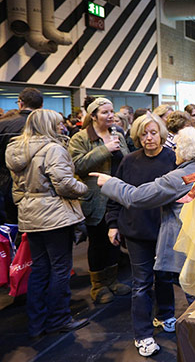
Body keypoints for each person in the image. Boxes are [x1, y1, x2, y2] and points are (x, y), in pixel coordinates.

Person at [92, 127, 195, 355]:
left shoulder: (180, 177)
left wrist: (109, 183)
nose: (174, 151)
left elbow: (137, 197)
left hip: (183, 243)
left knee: (190, 291)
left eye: (177, 147)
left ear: (185, 151)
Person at [5, 109, 89, 337]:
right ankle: (58, 319)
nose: (62, 127)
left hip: (30, 216)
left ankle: (36, 323)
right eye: (58, 124)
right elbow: (64, 184)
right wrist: (85, 188)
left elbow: (16, 189)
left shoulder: (15, 149)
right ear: (49, 126)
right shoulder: (54, 149)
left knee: (39, 269)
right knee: (60, 269)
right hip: (55, 217)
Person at [105, 114, 177, 356]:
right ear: (136, 136)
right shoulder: (128, 161)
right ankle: (143, 334)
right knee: (141, 284)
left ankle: (166, 314)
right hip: (136, 231)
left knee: (165, 277)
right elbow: (116, 193)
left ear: (161, 135)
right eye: (144, 133)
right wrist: (113, 224)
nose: (149, 138)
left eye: (153, 133)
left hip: (165, 230)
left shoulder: (173, 159)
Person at [68, 97, 131, 303]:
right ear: (93, 116)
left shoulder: (118, 134)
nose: (111, 115)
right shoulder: (80, 138)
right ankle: (98, 287)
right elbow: (77, 166)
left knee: (114, 240)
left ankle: (112, 281)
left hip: (116, 196)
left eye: (112, 111)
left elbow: (126, 161)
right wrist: (105, 149)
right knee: (97, 243)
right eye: (105, 112)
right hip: (94, 199)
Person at [0, 88, 43, 224]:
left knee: (10, 227)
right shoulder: (46, 126)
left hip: (6, 182)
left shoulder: (3, 124)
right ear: (41, 106)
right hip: (39, 185)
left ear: (20, 103)